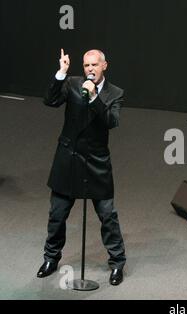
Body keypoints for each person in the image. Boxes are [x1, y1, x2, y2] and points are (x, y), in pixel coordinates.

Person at [37, 49, 126, 286]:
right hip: (68, 161)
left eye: (94, 65)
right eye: (86, 65)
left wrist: (95, 97)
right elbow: (50, 100)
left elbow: (111, 121)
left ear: (104, 65)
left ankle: (117, 263)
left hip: (96, 164)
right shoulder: (73, 83)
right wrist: (61, 73)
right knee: (57, 215)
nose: (90, 69)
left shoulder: (114, 93)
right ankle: (51, 258)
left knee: (108, 216)